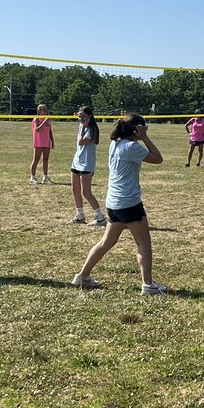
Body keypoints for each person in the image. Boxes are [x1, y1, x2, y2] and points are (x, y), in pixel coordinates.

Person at [73, 114, 166, 294]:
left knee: (106, 242)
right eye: (143, 128)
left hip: (114, 202)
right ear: (136, 129)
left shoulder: (115, 143)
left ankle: (83, 276)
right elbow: (158, 158)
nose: (145, 130)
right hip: (129, 203)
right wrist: (145, 137)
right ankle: (148, 285)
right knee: (144, 244)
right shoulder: (132, 147)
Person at [70, 105, 104, 225]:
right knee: (75, 189)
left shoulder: (92, 129)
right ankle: (80, 216)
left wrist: (84, 128)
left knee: (86, 192)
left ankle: (100, 217)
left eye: (83, 117)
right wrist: (82, 127)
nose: (81, 120)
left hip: (87, 163)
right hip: (77, 161)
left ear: (89, 116)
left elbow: (82, 141)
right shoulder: (81, 126)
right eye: (79, 117)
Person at [30, 104, 54, 184]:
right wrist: (45, 121)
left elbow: (49, 131)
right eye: (44, 109)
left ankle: (45, 176)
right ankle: (32, 177)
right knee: (36, 160)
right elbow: (37, 130)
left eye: (46, 109)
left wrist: (52, 141)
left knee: (46, 160)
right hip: (38, 142)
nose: (46, 110)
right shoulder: (36, 119)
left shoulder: (48, 119)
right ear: (39, 111)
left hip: (46, 142)